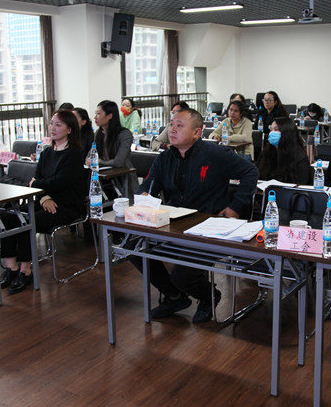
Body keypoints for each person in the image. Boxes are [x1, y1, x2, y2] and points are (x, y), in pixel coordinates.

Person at [136, 108, 259, 323]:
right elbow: (148, 185)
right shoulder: (164, 158)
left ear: (197, 132)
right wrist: (144, 195)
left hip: (209, 228)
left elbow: (251, 172)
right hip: (175, 224)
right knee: (134, 247)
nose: (172, 130)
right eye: (171, 125)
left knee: (181, 275)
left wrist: (235, 207)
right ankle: (174, 296)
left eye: (179, 126)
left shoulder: (215, 154)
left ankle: (208, 296)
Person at [0, 110, 86, 295]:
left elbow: (59, 182)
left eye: (58, 125)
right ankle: (11, 268)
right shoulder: (47, 152)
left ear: (69, 129)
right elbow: (38, 178)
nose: (52, 128)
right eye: (51, 123)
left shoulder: (74, 154)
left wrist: (38, 186)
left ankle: (25, 271)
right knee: (8, 217)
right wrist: (44, 197)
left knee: (27, 222)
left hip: (67, 205)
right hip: (45, 200)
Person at [94, 100, 138, 198]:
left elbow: (118, 162)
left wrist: (100, 162)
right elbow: (92, 155)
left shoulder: (124, 134)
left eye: (98, 114)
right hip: (105, 177)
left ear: (109, 116)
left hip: (123, 178)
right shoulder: (98, 133)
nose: (95, 117)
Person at [256, 117, 313, 184]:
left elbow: (301, 184)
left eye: (276, 129)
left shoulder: (299, 157)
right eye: (271, 129)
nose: (272, 132)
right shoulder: (267, 152)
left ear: (287, 133)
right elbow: (257, 174)